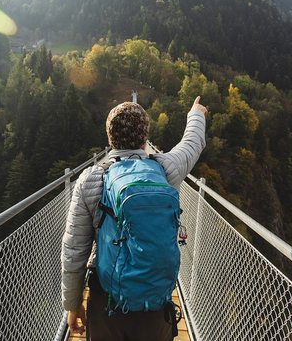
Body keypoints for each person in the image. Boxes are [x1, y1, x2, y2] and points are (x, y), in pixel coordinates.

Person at [61, 96, 207, 340]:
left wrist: (73, 305)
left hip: (107, 303)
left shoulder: (91, 179)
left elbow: (74, 250)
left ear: (110, 136)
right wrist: (197, 114)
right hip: (155, 304)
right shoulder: (166, 169)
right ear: (144, 136)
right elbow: (192, 143)